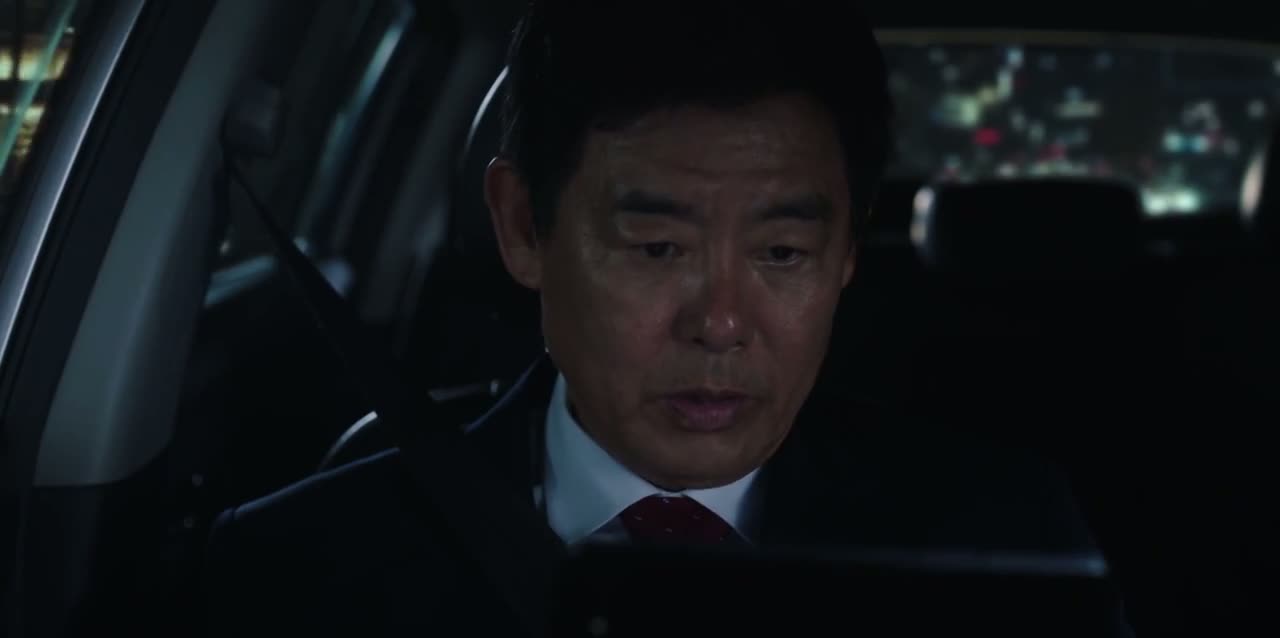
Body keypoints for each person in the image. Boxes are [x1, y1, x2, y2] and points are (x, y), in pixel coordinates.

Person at [203, 1, 1120, 635]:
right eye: (656, 248)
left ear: (847, 251)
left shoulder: (1004, 540)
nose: (720, 324)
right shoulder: (288, 574)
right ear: (524, 227)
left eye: (782, 253)